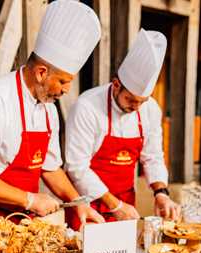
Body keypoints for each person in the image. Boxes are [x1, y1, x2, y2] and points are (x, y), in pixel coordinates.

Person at [0, 0, 105, 253]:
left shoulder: (48, 110)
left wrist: (78, 202)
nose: (67, 90)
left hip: (20, 235)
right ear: (42, 72)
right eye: (64, 81)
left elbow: (50, 169)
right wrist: (29, 199)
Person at [65, 28, 181, 231]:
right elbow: (77, 168)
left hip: (126, 205)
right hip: (87, 207)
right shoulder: (87, 106)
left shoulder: (151, 109)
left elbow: (153, 156)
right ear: (116, 84)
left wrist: (161, 193)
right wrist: (114, 204)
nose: (136, 107)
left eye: (142, 101)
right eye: (130, 99)